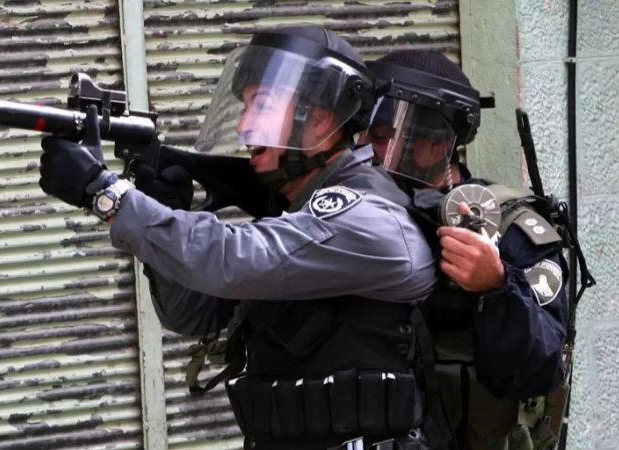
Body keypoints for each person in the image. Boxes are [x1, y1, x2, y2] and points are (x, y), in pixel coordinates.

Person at [39, 26, 452, 449]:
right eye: (246, 106)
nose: (245, 124)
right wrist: (168, 209)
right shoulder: (294, 208)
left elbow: (231, 258)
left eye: (263, 105)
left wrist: (106, 194)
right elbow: (191, 315)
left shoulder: (368, 220)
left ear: (322, 117)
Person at [362, 50, 571, 450]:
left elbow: (541, 368)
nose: (369, 148)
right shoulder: (358, 218)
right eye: (367, 132)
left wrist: (496, 286)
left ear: (438, 143)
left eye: (384, 136)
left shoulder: (513, 230)